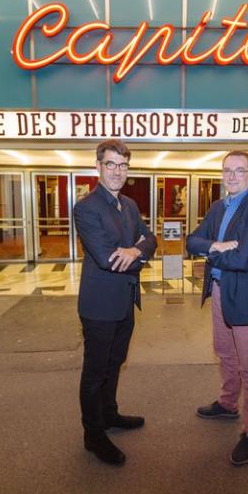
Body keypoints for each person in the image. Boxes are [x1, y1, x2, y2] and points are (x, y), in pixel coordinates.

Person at [186, 151, 248, 466]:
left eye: (240, 170)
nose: (233, 176)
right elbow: (191, 241)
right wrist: (217, 245)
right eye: (227, 170)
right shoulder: (217, 207)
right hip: (220, 291)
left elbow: (245, 258)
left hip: (246, 296)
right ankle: (227, 403)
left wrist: (210, 253)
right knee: (224, 353)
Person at [73, 139, 158, 466]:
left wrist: (136, 249)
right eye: (110, 164)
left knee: (115, 362)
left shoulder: (130, 206)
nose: (117, 171)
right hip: (99, 306)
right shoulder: (87, 207)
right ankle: (93, 435)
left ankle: (109, 415)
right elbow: (108, 258)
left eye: (123, 165)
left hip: (125, 301)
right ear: (98, 167)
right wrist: (131, 249)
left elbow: (150, 239)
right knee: (95, 372)